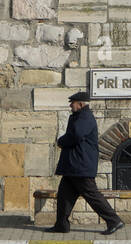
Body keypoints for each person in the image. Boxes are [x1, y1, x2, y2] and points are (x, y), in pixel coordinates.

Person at [49, 91, 122, 235]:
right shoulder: (80, 116)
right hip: (73, 166)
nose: (70, 105)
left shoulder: (85, 117)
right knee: (64, 196)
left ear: (80, 104)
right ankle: (61, 225)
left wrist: (61, 141)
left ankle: (114, 220)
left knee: (92, 195)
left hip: (80, 166)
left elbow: (76, 135)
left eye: (73, 102)